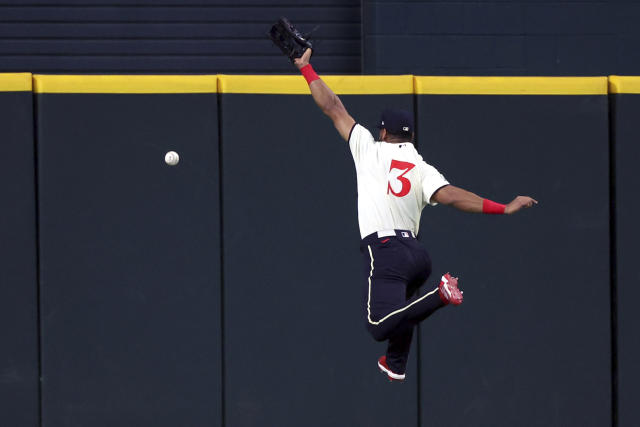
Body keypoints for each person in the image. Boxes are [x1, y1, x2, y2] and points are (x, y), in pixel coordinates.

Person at [293, 49, 537, 382]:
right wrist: (503, 206)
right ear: (409, 137)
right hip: (417, 258)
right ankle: (396, 362)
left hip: (388, 252)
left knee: (378, 324)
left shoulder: (369, 148)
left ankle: (440, 295)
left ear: (383, 133)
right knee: (401, 311)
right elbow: (452, 196)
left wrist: (306, 68)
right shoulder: (421, 167)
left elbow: (332, 106)